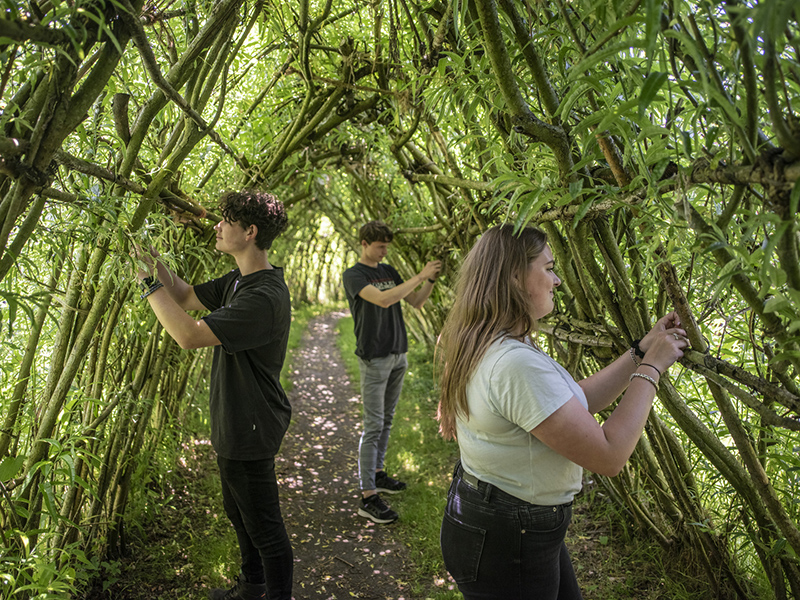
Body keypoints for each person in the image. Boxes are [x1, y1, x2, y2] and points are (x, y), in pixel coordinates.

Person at [436, 224, 688, 600]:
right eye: (549, 268)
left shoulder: (486, 338)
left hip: (498, 519)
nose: (557, 280)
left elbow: (568, 405)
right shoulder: (515, 364)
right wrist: (652, 368)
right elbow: (609, 454)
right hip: (509, 536)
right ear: (515, 277)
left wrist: (640, 350)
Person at [135, 191, 293, 600]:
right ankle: (252, 586)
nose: (217, 227)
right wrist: (148, 254)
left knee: (264, 525)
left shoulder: (263, 296)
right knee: (240, 513)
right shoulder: (242, 280)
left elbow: (188, 335)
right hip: (236, 416)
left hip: (251, 421)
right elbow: (186, 296)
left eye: (226, 221)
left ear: (250, 232)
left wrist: (147, 282)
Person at [343, 221, 442, 524]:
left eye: (387, 245)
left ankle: (378, 473)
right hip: (374, 357)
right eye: (380, 246)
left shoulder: (390, 272)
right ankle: (368, 496)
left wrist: (430, 281)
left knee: (386, 420)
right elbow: (385, 299)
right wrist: (420, 274)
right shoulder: (354, 275)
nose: (384, 251)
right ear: (364, 243)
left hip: (398, 353)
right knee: (373, 425)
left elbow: (416, 302)